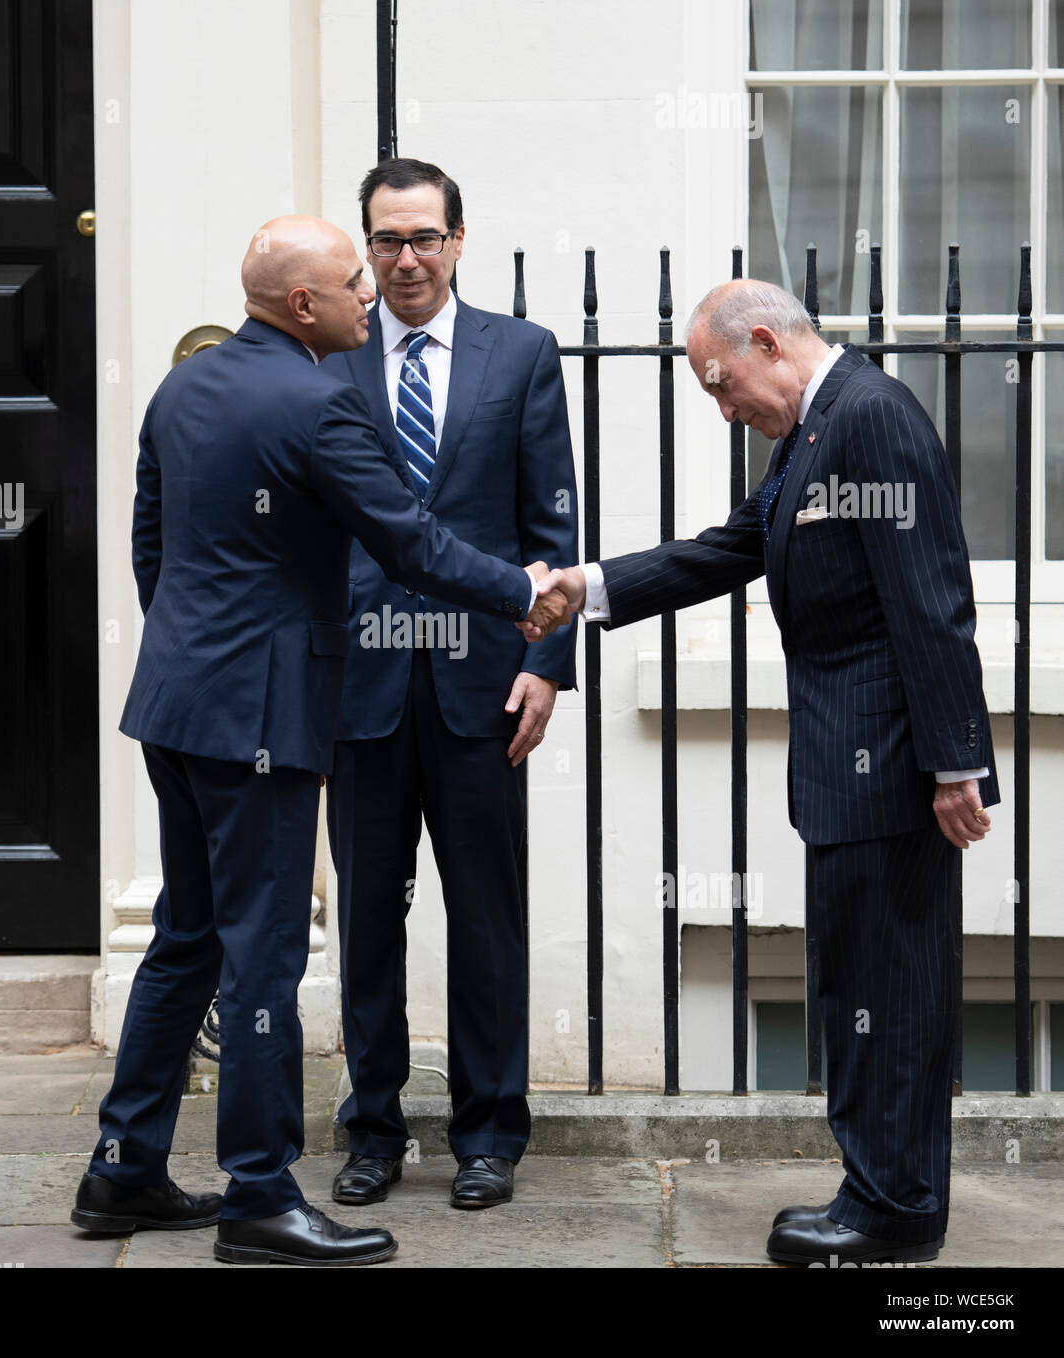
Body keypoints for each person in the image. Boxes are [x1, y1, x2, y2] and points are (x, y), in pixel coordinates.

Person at [70, 215, 567, 1266]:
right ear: (302, 306)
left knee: (187, 935)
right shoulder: (315, 401)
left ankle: (122, 1165)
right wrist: (523, 590)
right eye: (351, 280)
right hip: (259, 716)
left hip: (174, 703)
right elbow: (412, 541)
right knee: (262, 955)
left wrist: (198, 654)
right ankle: (259, 1194)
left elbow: (149, 545)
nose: (370, 290)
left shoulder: (184, 387)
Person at [528, 278, 997, 1266]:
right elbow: (734, 547)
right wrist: (592, 587)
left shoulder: (869, 420)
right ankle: (877, 1188)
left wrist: (957, 761)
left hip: (892, 770)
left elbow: (932, 599)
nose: (721, 403)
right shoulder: (815, 429)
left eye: (719, 381)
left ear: (765, 341)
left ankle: (893, 1209)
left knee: (891, 989)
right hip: (849, 767)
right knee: (860, 985)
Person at [321, 158, 578, 1212]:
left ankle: (486, 1132)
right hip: (360, 683)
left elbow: (551, 528)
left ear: (459, 240)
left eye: (424, 237)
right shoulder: (327, 356)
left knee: (485, 916)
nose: (406, 259)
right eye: (385, 241)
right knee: (367, 919)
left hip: (483, 683)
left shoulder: (519, 354)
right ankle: (371, 1129)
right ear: (365, 249)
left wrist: (544, 664)